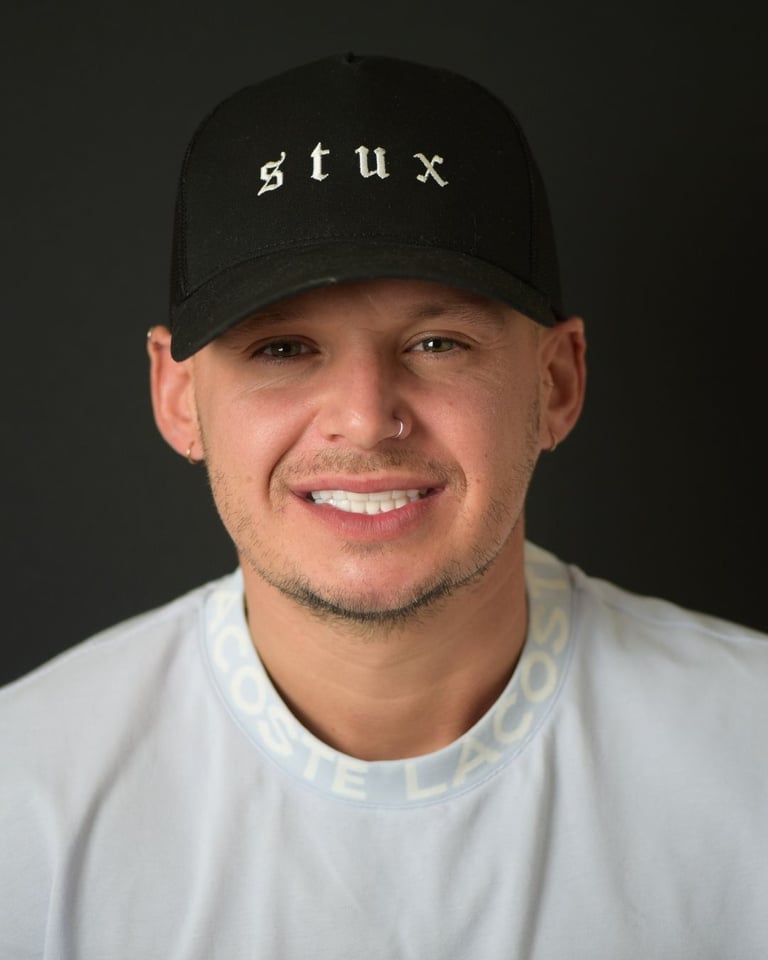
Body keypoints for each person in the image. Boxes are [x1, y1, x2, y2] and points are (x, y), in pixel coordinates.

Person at [1, 53, 766, 959]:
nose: (367, 416)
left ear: (557, 382)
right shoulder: (27, 801)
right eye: (282, 348)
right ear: (177, 397)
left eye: (438, 341)